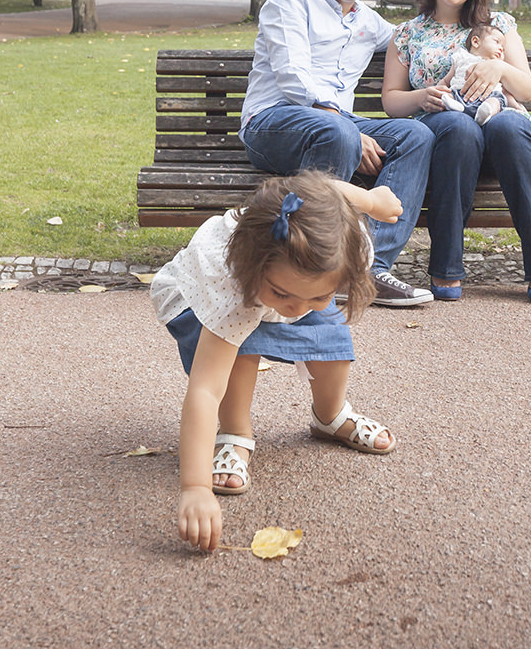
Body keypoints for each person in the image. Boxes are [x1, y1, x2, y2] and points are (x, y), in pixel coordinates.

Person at [152, 170, 398, 553]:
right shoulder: (231, 286)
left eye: (317, 296)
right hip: (208, 295)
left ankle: (330, 416)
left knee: (331, 338)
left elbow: (327, 191)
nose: (296, 309)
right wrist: (195, 488)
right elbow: (204, 388)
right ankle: (235, 434)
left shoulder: (342, 246)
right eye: (284, 294)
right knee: (239, 354)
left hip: (285, 277)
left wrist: (370, 202)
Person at [238, 0, 435, 306]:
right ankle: (311, 263)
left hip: (336, 126)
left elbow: (413, 41)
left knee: (416, 136)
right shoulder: (290, 2)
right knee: (340, 133)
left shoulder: (370, 22)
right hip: (273, 122)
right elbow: (294, 78)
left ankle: (368, 268)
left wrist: (483, 50)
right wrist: (342, 125)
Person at [381, 0, 531, 304]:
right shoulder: (407, 34)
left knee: (510, 124)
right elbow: (391, 101)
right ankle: (446, 268)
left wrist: (498, 65)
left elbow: (525, 90)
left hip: (502, 137)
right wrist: (422, 96)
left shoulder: (499, 25)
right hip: (446, 132)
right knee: (460, 126)